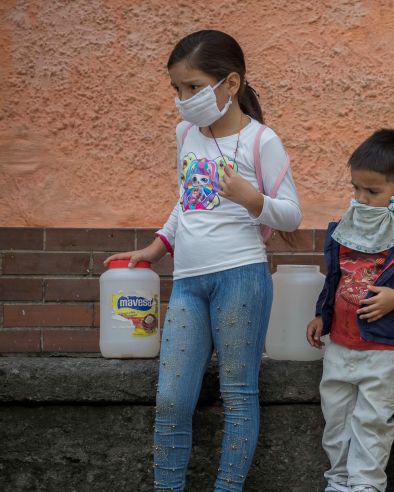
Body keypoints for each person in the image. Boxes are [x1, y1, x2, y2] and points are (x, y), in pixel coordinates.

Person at [105, 30, 302, 490]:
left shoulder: (262, 140)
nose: (183, 99)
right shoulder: (185, 134)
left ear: (230, 83)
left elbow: (291, 215)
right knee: (172, 400)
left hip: (242, 277)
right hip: (189, 282)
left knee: (238, 396)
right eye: (177, 89)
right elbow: (186, 201)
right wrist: (157, 247)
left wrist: (252, 199)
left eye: (193, 87)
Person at [306, 129, 394, 492]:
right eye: (355, 189)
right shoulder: (342, 230)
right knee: (335, 419)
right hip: (340, 346)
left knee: (372, 421)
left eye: (372, 192)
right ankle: (338, 480)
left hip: (383, 351)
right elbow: (334, 277)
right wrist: (323, 315)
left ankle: (366, 484)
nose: (361, 199)